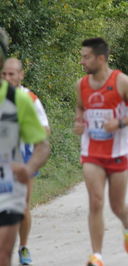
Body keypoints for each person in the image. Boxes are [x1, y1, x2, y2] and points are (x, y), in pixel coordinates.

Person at [73, 37, 128, 266]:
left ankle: (127, 223)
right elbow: (80, 105)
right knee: (95, 202)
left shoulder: (122, 82)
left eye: (85, 57)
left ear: (101, 58)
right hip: (92, 151)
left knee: (117, 206)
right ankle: (97, 255)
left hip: (118, 150)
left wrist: (120, 123)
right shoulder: (82, 84)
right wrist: (79, 120)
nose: (82, 61)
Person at [0, 27, 50, 266]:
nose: (8, 78)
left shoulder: (28, 98)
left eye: (12, 74)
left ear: (21, 76)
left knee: (22, 207)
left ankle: (24, 247)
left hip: (22, 156)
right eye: (4, 74)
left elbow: (44, 133)